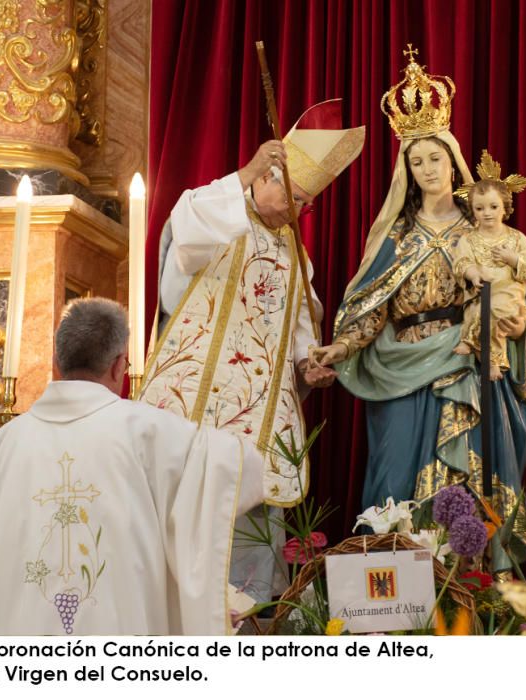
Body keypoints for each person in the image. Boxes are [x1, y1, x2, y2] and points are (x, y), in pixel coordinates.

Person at [139, 99, 364, 602]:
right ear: (267, 179)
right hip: (190, 414)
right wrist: (244, 173)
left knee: (246, 562)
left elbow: (300, 334)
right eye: (297, 198)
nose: (302, 212)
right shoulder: (214, 213)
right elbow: (187, 221)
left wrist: (311, 366)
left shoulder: (295, 256)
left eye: (308, 203)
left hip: (254, 430)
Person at [309, 49, 526, 533]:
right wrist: (344, 344)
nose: (428, 169)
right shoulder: (394, 235)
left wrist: (517, 326)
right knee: (393, 477)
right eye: (417, 162)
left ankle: (474, 585)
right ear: (406, 171)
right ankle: (394, 585)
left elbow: (517, 291)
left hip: (466, 359)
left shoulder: (482, 229)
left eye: (435, 157)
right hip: (400, 364)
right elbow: (373, 305)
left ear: (453, 161)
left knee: (471, 482)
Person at [0, 298, 264, 635]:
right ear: (120, 365)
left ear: (58, 362)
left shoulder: (2, 444)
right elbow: (247, 471)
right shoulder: (151, 431)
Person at [452, 151, 526, 381]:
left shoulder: (517, 238)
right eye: (480, 209)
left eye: (493, 207)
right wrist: (472, 274)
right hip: (482, 294)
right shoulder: (468, 239)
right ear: (473, 211)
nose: (487, 213)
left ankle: (494, 362)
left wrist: (514, 259)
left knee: (497, 315)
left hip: (509, 296)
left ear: (504, 207)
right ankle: (472, 343)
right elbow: (461, 261)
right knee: (479, 312)